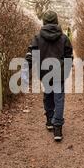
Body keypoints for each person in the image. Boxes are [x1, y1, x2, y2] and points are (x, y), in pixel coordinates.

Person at [24, 10, 73, 142]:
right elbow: (69, 56)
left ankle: (50, 121)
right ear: (56, 21)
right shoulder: (64, 38)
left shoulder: (37, 38)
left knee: (48, 96)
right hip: (59, 73)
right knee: (59, 98)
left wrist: (25, 69)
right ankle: (57, 127)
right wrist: (66, 70)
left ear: (44, 22)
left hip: (44, 72)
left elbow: (30, 55)